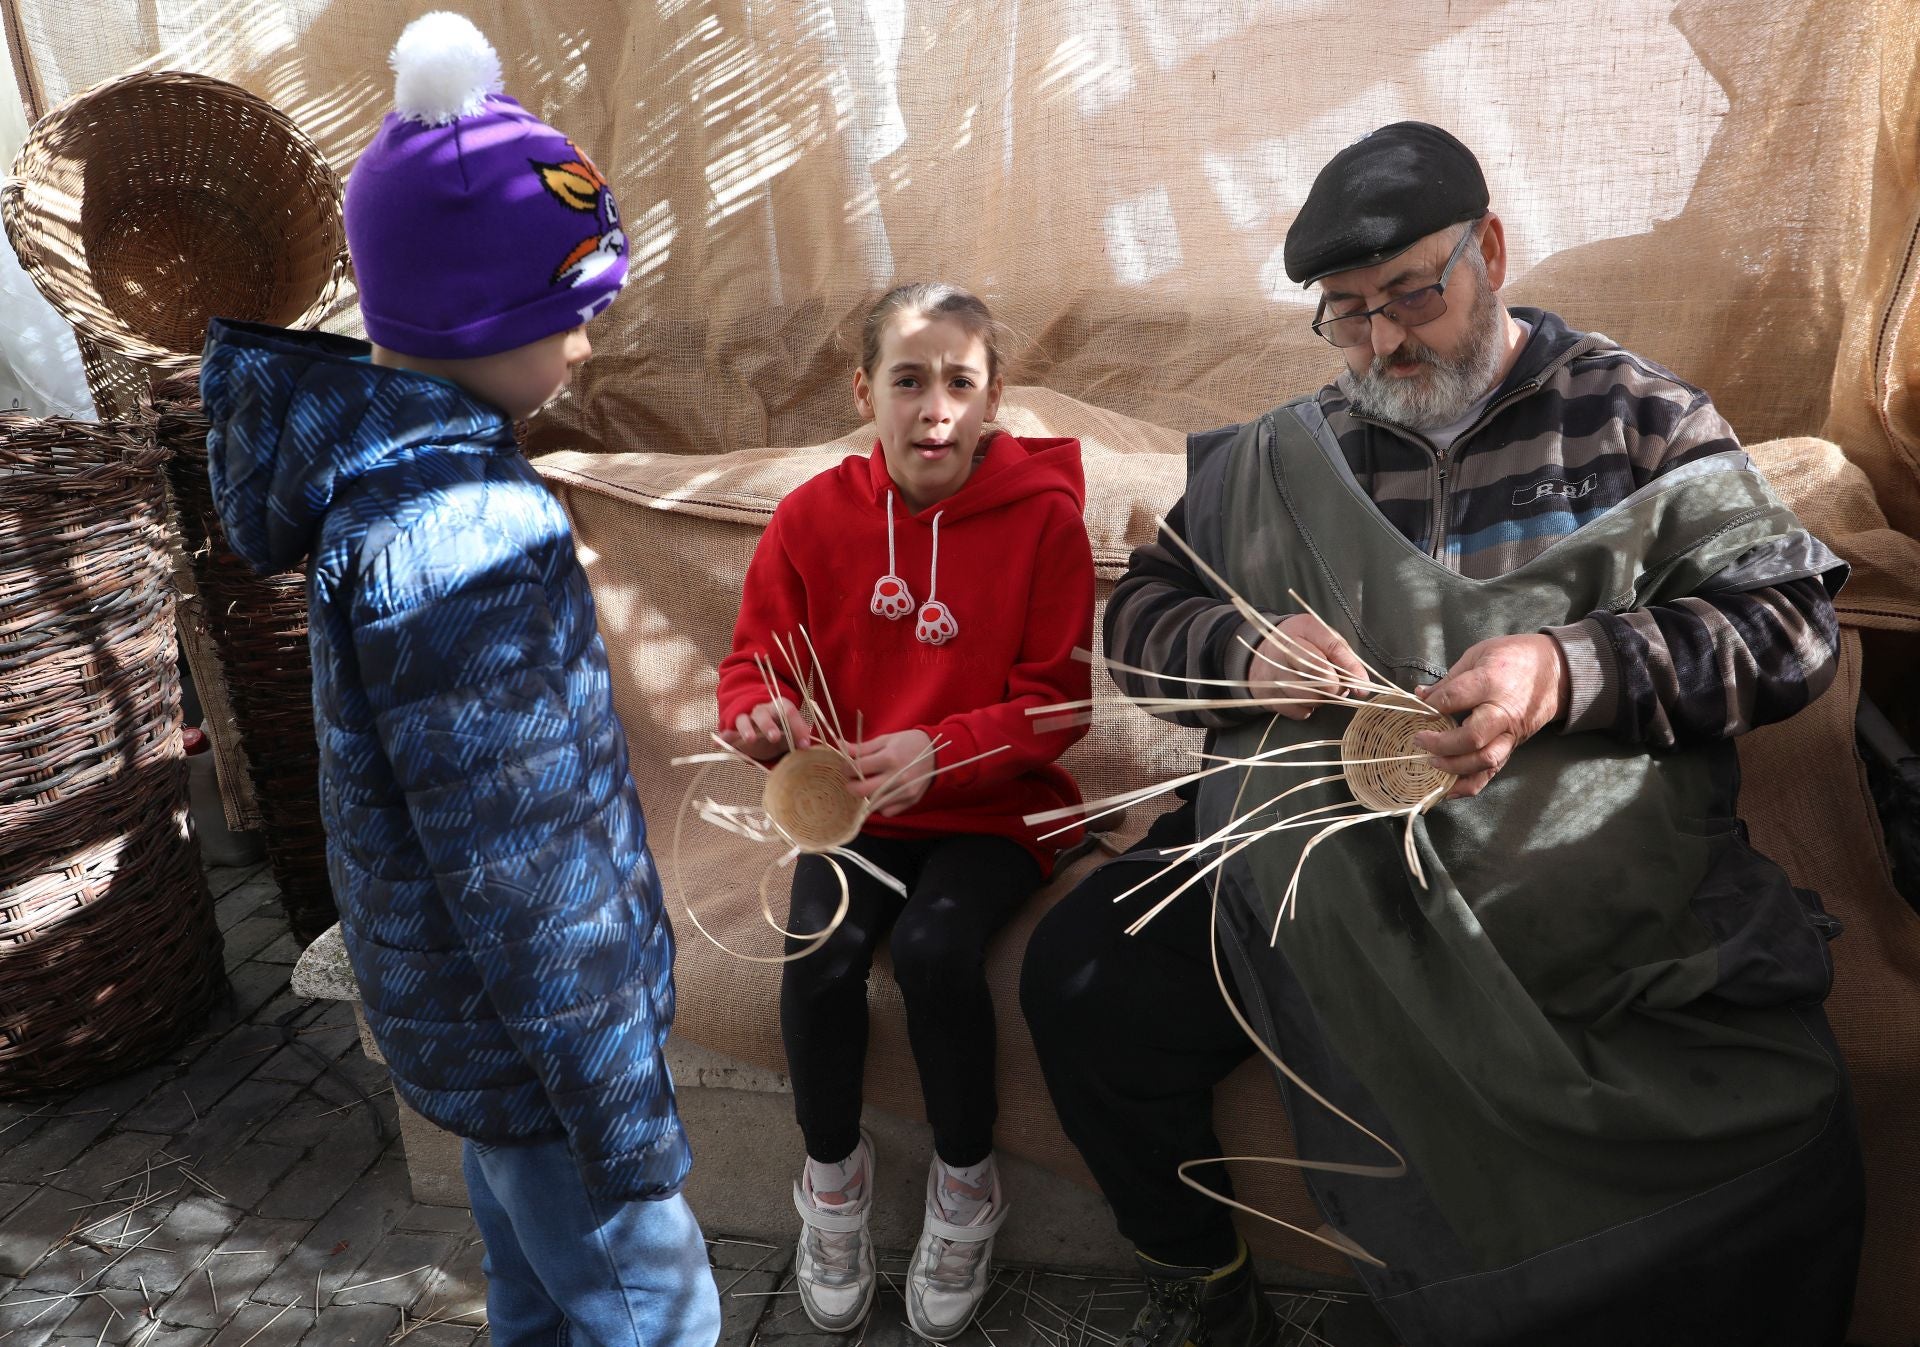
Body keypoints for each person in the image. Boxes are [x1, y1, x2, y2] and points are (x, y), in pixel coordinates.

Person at [1021, 121, 1864, 1347]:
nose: (1383, 340)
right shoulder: (1280, 460)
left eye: (1414, 294)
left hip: (1573, 864)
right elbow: (1147, 615)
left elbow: (1788, 629)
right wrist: (1245, 657)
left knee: (1769, 1114)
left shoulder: (1634, 420)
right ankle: (1198, 1276)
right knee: (1083, 979)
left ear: (1493, 253)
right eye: (1348, 313)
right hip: (1310, 866)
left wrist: (1565, 665)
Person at [201, 14, 721, 1346]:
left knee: (538, 1307)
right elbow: (525, 857)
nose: (589, 350)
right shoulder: (469, 537)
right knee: (659, 1320)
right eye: (573, 315)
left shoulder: (383, 494)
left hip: (475, 1040)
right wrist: (617, 1100)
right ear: (481, 314)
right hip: (549, 1060)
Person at [716, 282, 1095, 1339]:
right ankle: (831, 1180)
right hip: (852, 813)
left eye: (960, 383)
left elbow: (1061, 706)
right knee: (819, 953)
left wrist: (946, 747)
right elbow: (750, 663)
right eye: (909, 380)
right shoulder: (810, 517)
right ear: (864, 393)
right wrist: (756, 716)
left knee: (935, 952)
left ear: (993, 399)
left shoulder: (1046, 522)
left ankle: (966, 1183)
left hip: (999, 812)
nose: (936, 406)